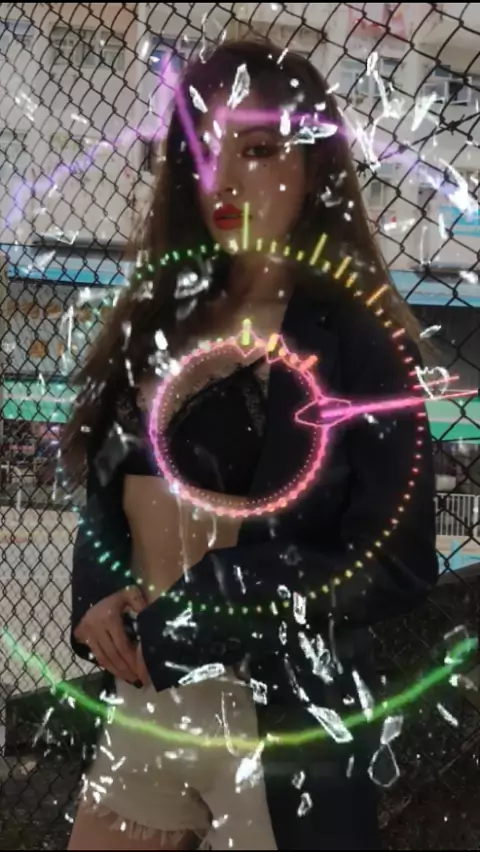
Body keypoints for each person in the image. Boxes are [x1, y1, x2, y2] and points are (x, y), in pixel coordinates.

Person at [62, 39, 438, 851]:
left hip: (285, 719)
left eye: (259, 150)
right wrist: (97, 593)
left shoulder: (361, 342)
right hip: (146, 704)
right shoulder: (156, 319)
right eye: (203, 151)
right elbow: (106, 491)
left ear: (314, 167)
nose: (224, 180)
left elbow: (399, 560)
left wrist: (221, 595)